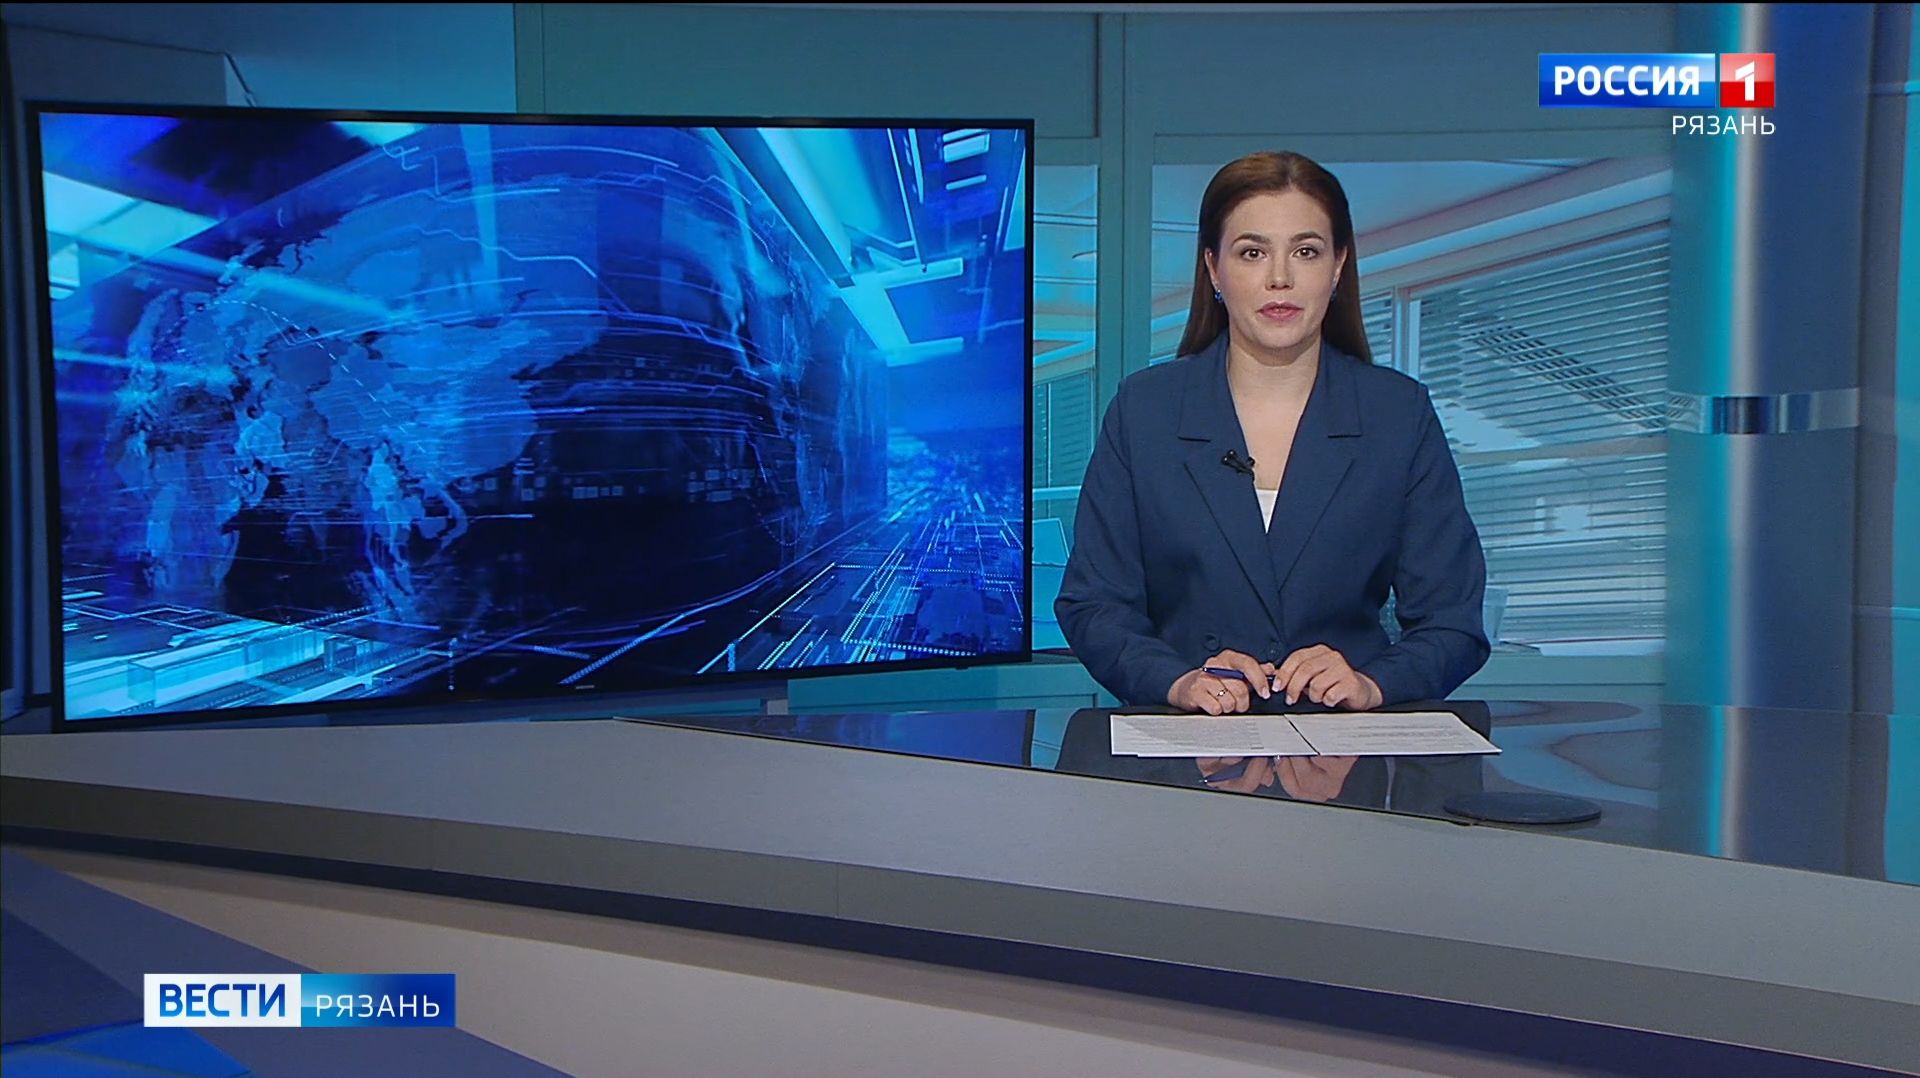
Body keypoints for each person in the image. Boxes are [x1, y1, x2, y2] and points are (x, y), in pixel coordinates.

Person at [1056, 151, 1490, 790]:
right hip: (1187, 776)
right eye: (1253, 252)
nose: (1280, 278)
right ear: (1214, 269)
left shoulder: (1398, 414)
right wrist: (1177, 681)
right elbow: (1094, 603)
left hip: (1343, 776)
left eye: (1306, 252)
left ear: (1338, 266)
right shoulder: (1145, 410)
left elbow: (1453, 620)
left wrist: (1372, 683)